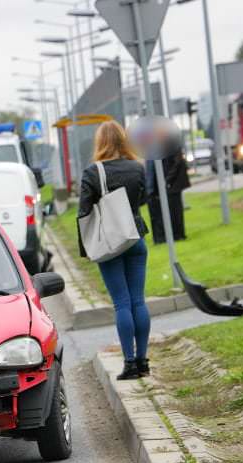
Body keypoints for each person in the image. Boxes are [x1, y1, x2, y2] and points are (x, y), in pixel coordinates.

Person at [77, 121, 151, 380]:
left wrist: (86, 248)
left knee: (121, 303)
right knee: (138, 301)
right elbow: (143, 199)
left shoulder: (92, 172)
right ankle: (143, 362)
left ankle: (129, 363)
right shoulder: (138, 167)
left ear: (100, 142)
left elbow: (84, 212)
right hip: (135, 239)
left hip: (110, 244)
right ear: (123, 140)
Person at [147, 143, 190, 243]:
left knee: (175, 210)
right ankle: (175, 234)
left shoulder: (171, 142)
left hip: (173, 183)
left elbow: (177, 162)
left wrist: (167, 181)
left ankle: (178, 234)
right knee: (172, 210)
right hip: (168, 182)